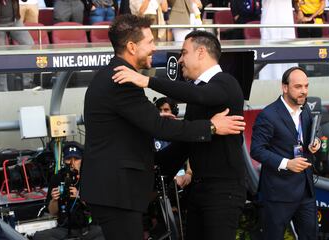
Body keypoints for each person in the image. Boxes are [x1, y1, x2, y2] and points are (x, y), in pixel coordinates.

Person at [81, 15, 245, 240]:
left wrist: (148, 81)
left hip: (220, 193)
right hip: (118, 191)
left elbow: (197, 101)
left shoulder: (225, 83)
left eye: (183, 53)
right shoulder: (122, 79)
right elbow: (160, 126)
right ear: (131, 46)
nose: (155, 48)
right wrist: (211, 127)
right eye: (149, 42)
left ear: (201, 53)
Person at [250, 66, 321, 240]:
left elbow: (308, 137)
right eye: (298, 87)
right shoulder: (268, 115)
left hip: (305, 190)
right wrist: (287, 163)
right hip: (278, 193)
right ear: (285, 87)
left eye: (306, 86)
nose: (304, 91)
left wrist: (314, 143)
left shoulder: (305, 110)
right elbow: (257, 150)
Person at [33, 141, 104, 240]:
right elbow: (52, 212)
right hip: (64, 228)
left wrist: (79, 197)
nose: (72, 163)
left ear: (82, 160)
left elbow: (97, 209)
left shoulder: (90, 177)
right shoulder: (57, 178)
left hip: (88, 228)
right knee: (39, 236)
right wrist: (54, 200)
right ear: (64, 160)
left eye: (76, 159)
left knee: (106, 233)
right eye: (69, 159)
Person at [0, 0, 34, 91]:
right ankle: (3, 90)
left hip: (15, 21)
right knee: (0, 56)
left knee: (29, 45)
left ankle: (27, 84)